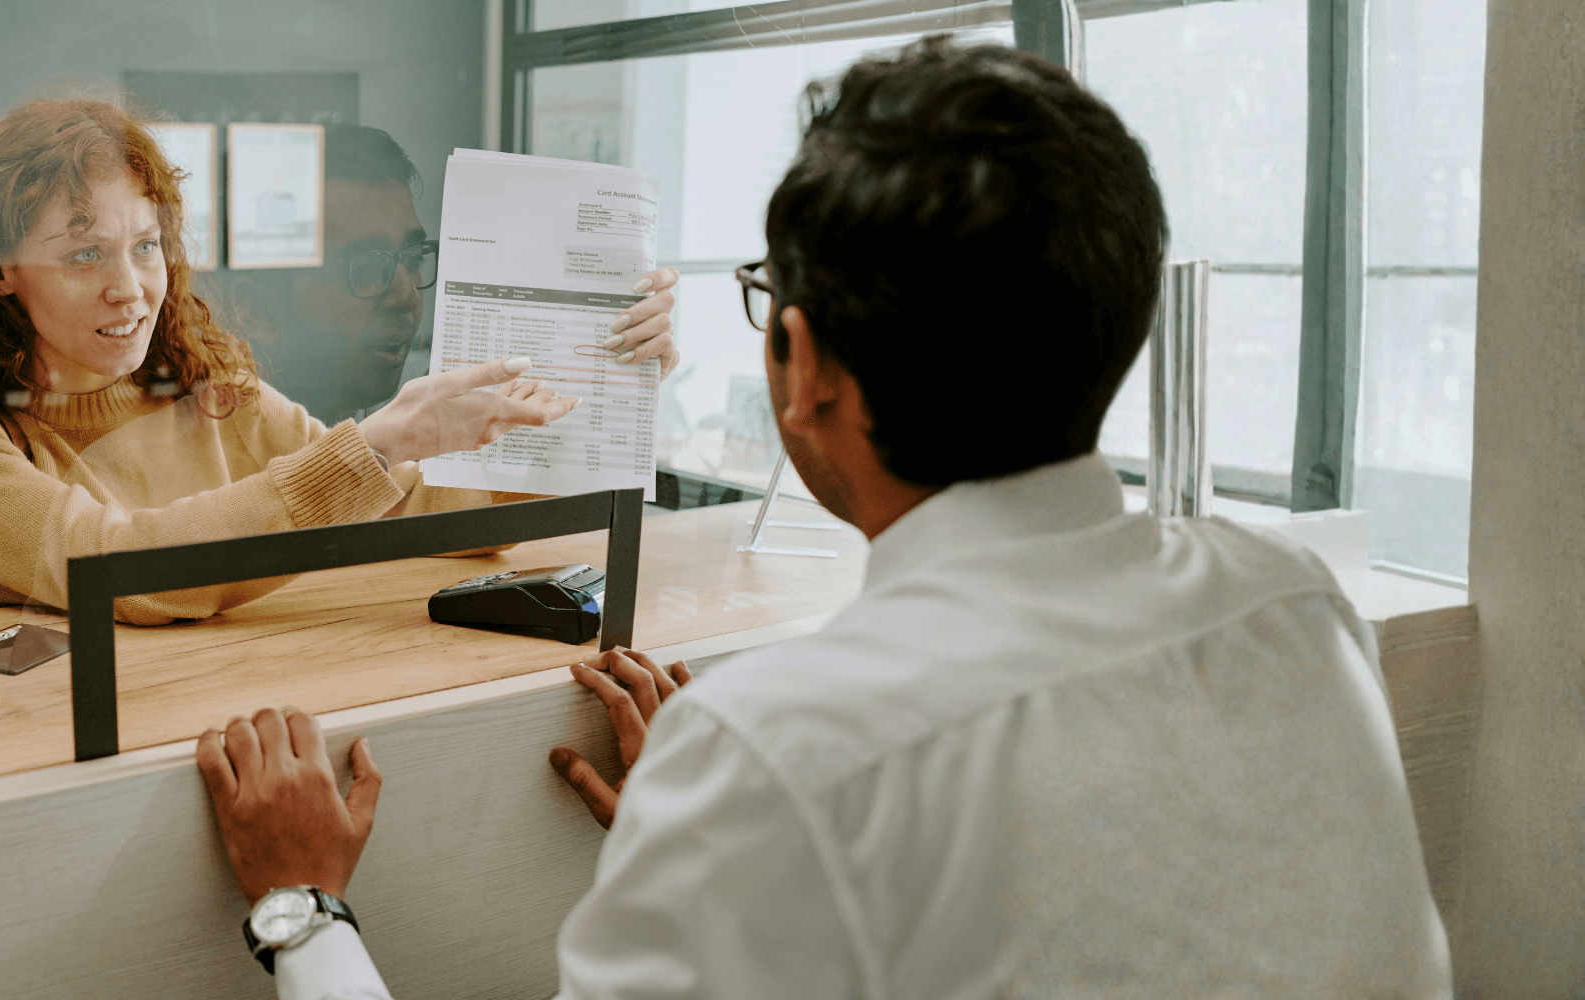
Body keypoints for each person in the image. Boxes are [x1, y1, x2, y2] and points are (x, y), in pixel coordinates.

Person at [194, 37, 1450, 996]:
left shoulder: (776, 758)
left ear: (804, 366)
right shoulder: (1301, 610)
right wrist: (727, 854)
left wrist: (302, 909)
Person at [0, 99, 680, 625]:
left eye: (146, 247)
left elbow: (415, 510)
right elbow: (117, 571)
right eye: (86, 253)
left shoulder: (210, 389)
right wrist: (373, 445)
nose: (131, 290)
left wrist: (609, 381)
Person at [217, 125, 497, 426]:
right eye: (366, 268)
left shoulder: (406, 433)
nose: (407, 296)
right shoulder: (212, 465)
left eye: (414, 257)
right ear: (256, 310)